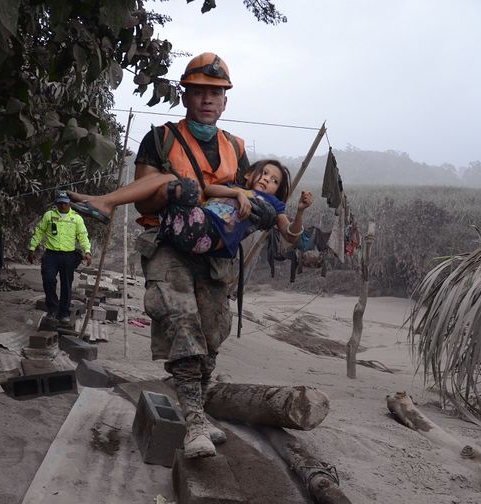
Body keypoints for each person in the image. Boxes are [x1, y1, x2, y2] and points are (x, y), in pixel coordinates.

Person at [82, 52, 309, 459]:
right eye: (200, 91)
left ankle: (197, 408)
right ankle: (195, 422)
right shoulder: (161, 138)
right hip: (169, 243)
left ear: (225, 102)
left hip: (216, 253)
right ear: (186, 96)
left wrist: (258, 209)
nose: (208, 99)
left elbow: (251, 203)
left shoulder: (237, 149)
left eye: (216, 93)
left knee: (212, 330)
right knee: (180, 321)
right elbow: (146, 193)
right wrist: (177, 192)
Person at [68, 159, 314, 258]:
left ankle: (106, 202)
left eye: (275, 181)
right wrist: (238, 192)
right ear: (249, 174)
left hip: (207, 235)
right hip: (188, 223)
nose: (268, 180)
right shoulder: (234, 188)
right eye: (265, 173)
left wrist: (301, 210)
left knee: (175, 183)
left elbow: (290, 235)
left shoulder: (273, 204)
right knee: (172, 182)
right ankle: (105, 201)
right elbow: (209, 190)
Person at [27, 191, 92, 327]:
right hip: (51, 255)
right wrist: (32, 248)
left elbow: (82, 236)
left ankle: (64, 313)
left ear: (69, 203)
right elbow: (39, 232)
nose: (62, 205)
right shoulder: (49, 216)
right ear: (56, 202)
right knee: (49, 280)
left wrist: (87, 251)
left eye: (65, 203)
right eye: (60, 202)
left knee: (66, 285)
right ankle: (52, 309)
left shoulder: (76, 219)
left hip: (68, 256)